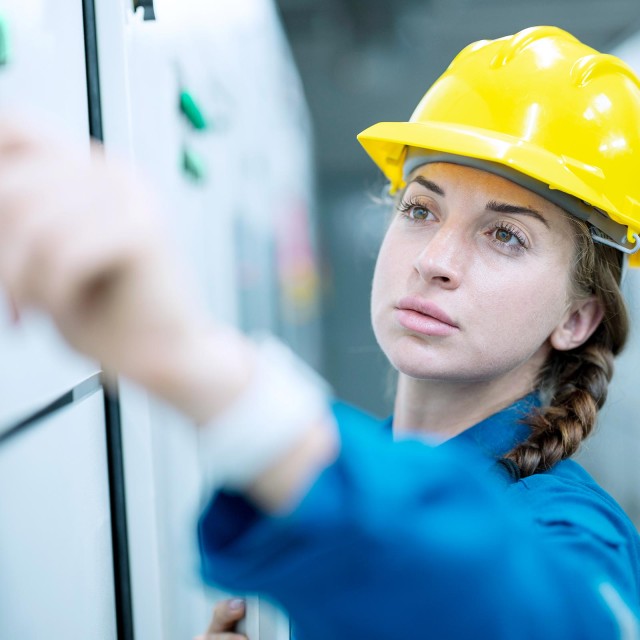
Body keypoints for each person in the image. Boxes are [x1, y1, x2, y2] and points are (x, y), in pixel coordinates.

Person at [0, 25, 639, 640]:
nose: (434, 260)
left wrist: (194, 363)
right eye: (421, 209)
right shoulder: (371, 465)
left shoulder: (572, 529)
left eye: (506, 234)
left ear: (576, 318)